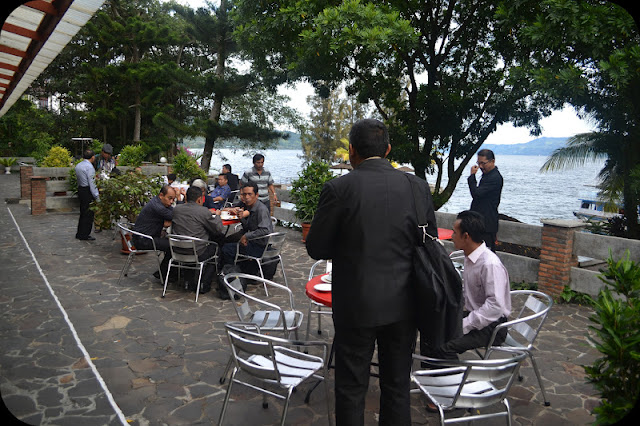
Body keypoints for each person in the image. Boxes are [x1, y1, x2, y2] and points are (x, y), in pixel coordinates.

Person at [305, 118, 437, 426]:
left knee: (351, 388)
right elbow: (427, 240)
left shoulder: (339, 188)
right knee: (397, 385)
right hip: (406, 303)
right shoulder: (417, 187)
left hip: (356, 304)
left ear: (351, 150)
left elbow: (316, 247)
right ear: (388, 149)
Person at [424, 210, 511, 360]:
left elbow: (495, 306)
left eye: (454, 232)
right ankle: (433, 370)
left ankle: (452, 373)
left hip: (492, 326)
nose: (452, 236)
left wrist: (464, 325)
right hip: (476, 315)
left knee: (444, 347)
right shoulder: (469, 256)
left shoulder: (490, 264)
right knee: (432, 328)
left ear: (466, 236)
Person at [218, 181, 273, 298]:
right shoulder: (248, 206)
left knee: (227, 249)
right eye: (244, 194)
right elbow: (248, 226)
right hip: (253, 242)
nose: (247, 197)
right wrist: (239, 215)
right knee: (226, 241)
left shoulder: (261, 209)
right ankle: (229, 272)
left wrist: (246, 236)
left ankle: (230, 277)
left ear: (256, 195)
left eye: (249, 194)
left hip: (260, 246)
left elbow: (265, 230)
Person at [171, 186, 225, 294]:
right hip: (197, 252)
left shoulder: (177, 209)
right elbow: (219, 229)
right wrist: (217, 216)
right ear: (200, 199)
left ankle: (188, 281)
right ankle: (204, 283)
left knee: (191, 243)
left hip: (176, 250)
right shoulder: (203, 211)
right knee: (216, 248)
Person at [133, 185, 177, 280]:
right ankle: (164, 273)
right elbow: (175, 215)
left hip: (147, 235)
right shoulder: (157, 207)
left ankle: (167, 272)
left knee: (173, 242)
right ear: (161, 195)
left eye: (173, 199)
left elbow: (173, 212)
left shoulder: (159, 203)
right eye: (169, 198)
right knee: (175, 246)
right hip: (144, 239)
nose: (171, 202)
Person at [468, 148, 503, 251]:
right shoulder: (487, 175)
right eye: (479, 163)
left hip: (487, 224)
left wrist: (472, 177)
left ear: (492, 161)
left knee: (486, 254)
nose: (481, 167)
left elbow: (476, 194)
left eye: (483, 163)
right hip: (479, 222)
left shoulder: (494, 177)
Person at [75, 149, 100, 241]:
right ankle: (85, 234)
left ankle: (80, 233)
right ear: (92, 157)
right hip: (87, 191)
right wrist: (97, 196)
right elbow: (92, 183)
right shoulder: (89, 167)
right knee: (89, 214)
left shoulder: (78, 165)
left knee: (83, 212)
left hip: (81, 189)